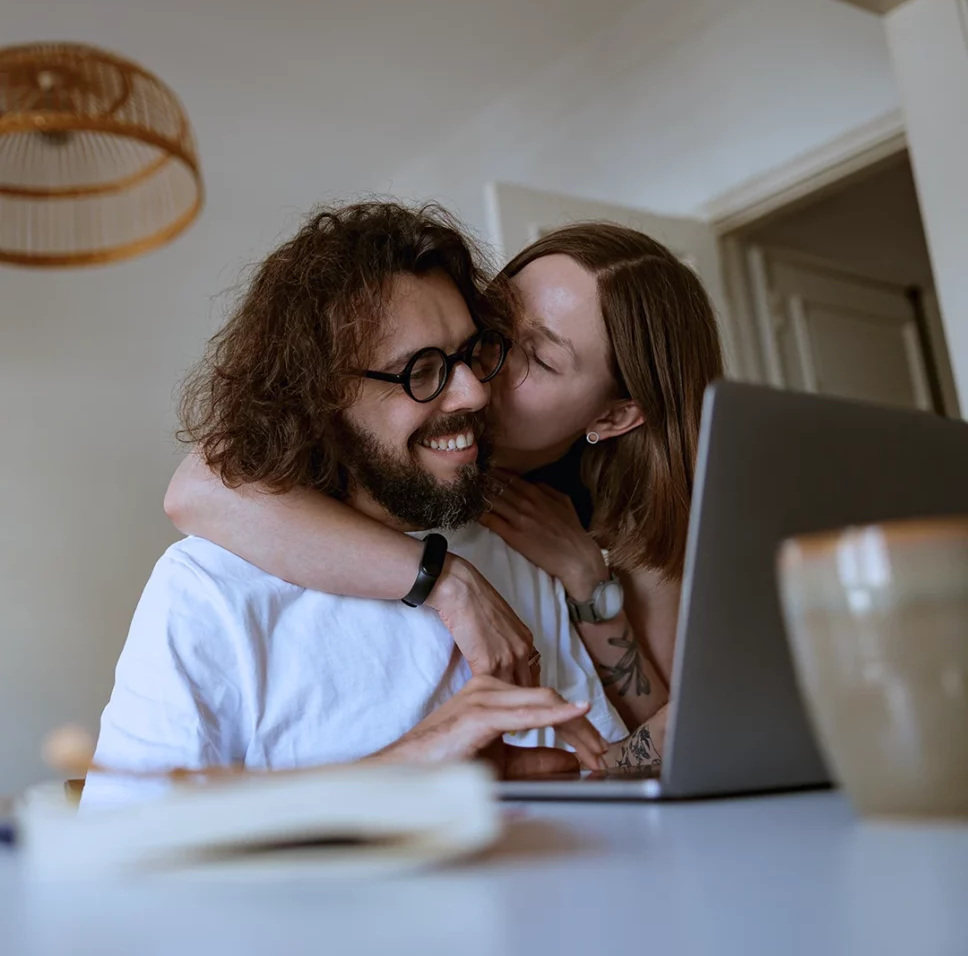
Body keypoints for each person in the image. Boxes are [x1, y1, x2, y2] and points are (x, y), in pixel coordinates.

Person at [84, 202, 656, 809]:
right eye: (423, 371)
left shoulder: (521, 550)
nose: (473, 392)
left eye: (472, 353)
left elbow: (604, 784)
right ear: (322, 395)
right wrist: (407, 767)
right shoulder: (208, 590)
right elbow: (119, 859)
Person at [166, 213, 725, 737]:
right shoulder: (379, 450)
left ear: (613, 415)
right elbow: (199, 489)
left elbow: (677, 732)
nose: (483, 368)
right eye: (496, 319)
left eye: (541, 359)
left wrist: (588, 583)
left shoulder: (636, 514)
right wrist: (443, 580)